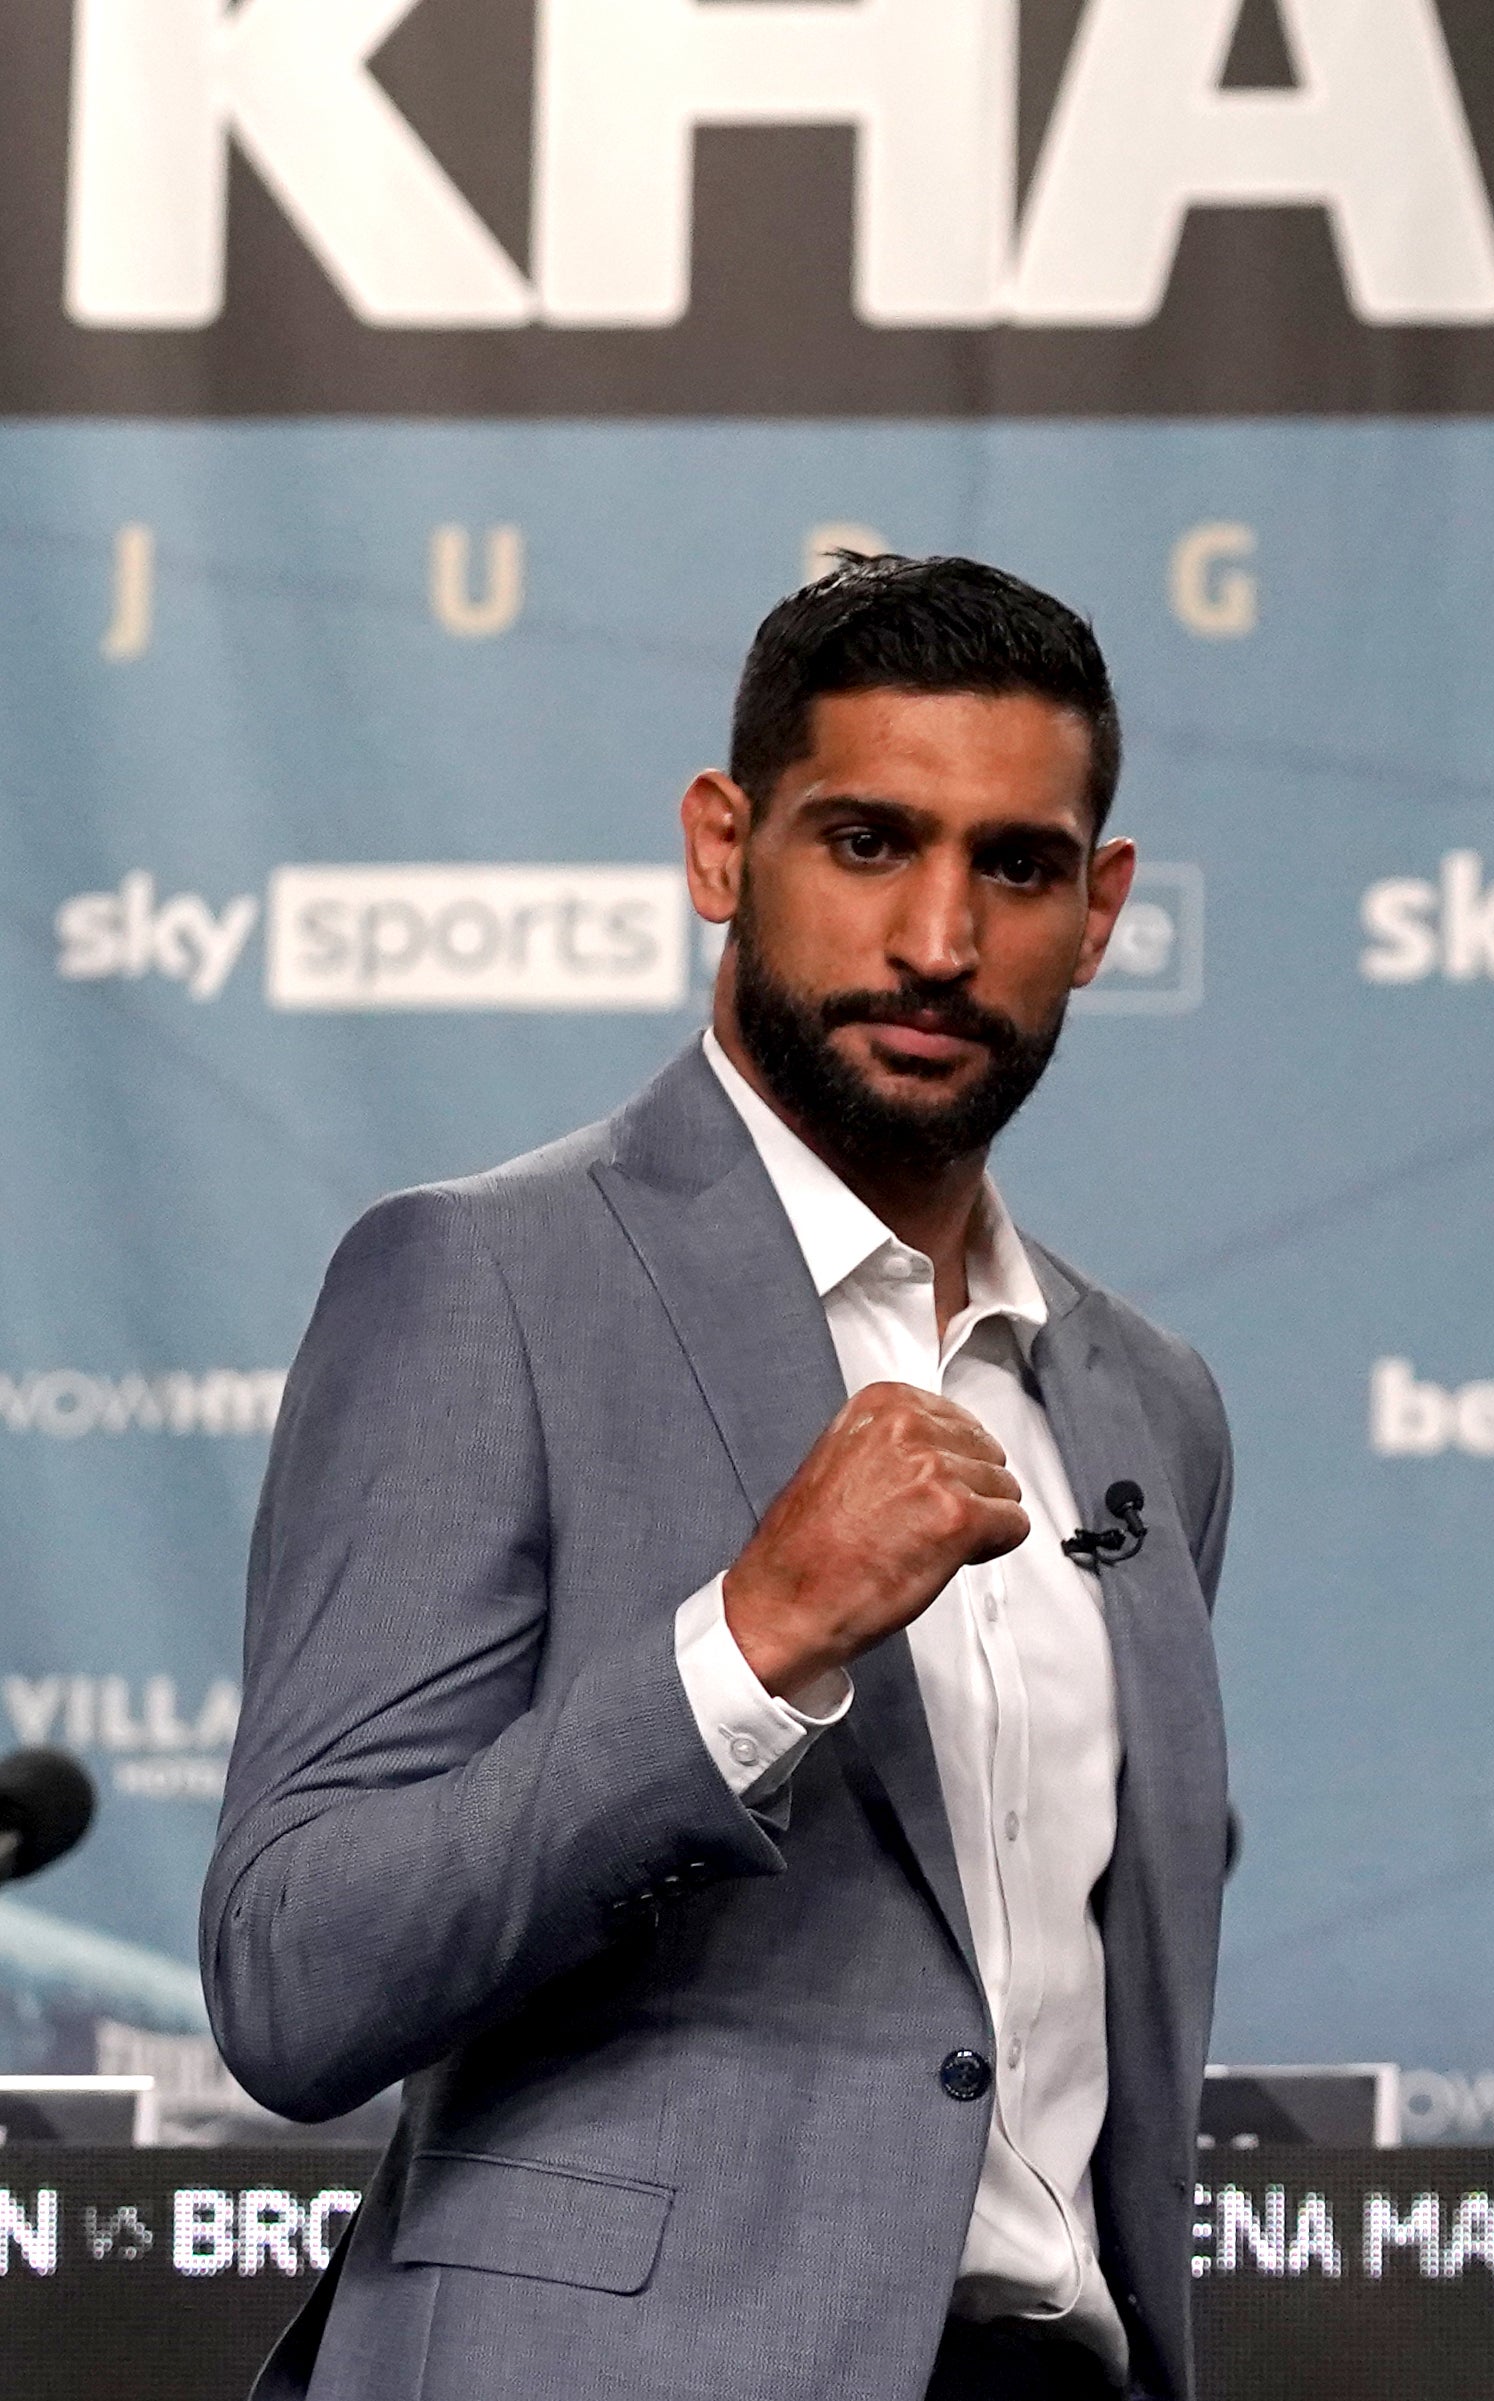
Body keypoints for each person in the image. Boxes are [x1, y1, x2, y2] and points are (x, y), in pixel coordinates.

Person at [208, 556, 1232, 2401]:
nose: (938, 937)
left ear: (1100, 911)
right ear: (719, 846)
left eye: (1014, 865)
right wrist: (747, 1647)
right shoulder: (482, 1283)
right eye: (866, 841)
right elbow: (295, 1975)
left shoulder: (1150, 1403)